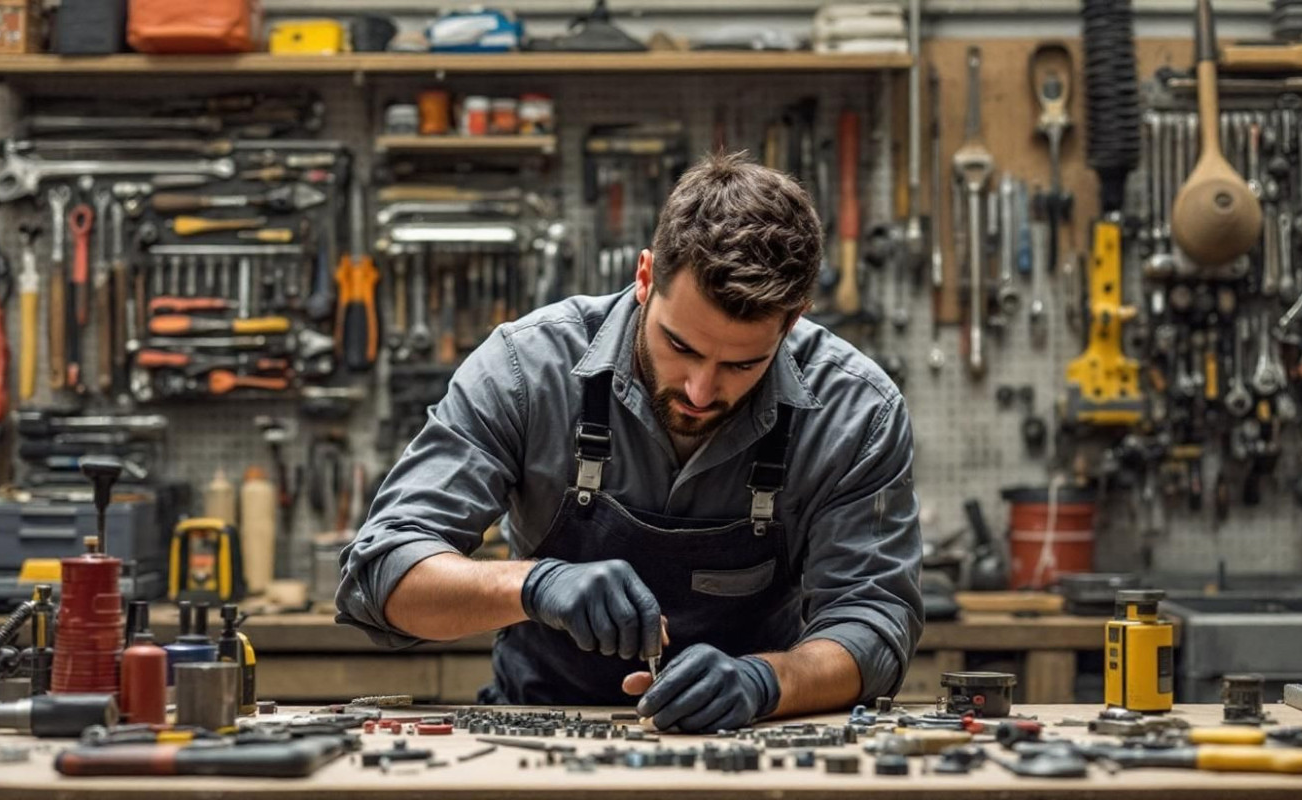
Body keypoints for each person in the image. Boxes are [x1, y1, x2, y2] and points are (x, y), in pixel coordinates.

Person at [338, 151, 923, 733]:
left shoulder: (855, 411)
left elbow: (873, 623)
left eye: (742, 365)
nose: (700, 390)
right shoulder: (526, 370)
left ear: (791, 323)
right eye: (683, 347)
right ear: (645, 278)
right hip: (537, 741)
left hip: (753, 736)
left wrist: (767, 682)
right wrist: (535, 583)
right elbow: (381, 574)